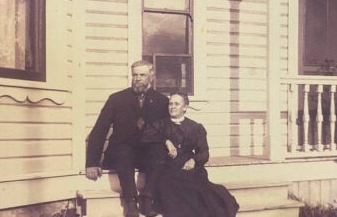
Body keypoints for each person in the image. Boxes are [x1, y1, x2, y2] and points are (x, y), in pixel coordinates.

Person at [85, 60, 169, 217]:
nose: (137, 78)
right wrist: (92, 162)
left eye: (142, 75)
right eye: (135, 75)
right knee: (123, 151)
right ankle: (131, 202)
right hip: (122, 153)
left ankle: (147, 198)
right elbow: (100, 129)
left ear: (152, 76)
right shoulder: (116, 99)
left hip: (147, 155)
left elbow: (169, 131)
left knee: (158, 150)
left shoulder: (162, 101)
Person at [142, 91, 239, 217]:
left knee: (206, 194)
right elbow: (145, 138)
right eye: (170, 104)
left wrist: (194, 161)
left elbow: (204, 152)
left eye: (177, 104)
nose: (172, 107)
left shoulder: (195, 127)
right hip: (167, 167)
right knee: (174, 188)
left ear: (185, 107)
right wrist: (166, 141)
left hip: (189, 166)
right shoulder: (159, 125)